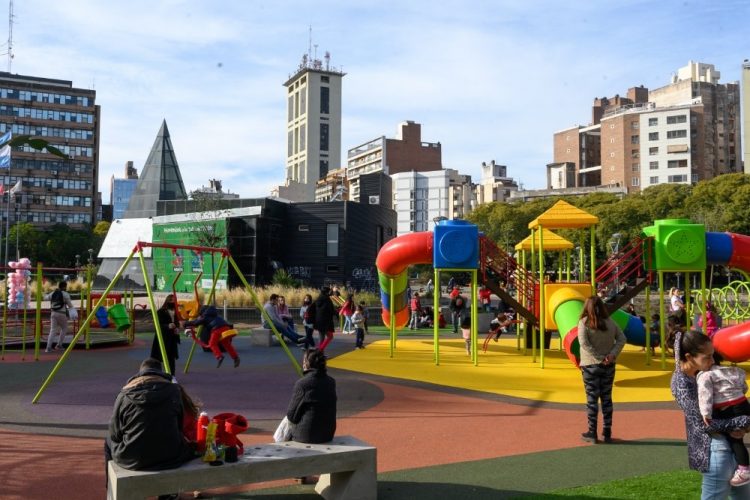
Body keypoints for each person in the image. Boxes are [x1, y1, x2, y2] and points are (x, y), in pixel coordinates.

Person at [671, 329, 750, 498]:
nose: (712, 360)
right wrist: (742, 421)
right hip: (716, 449)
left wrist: (743, 424)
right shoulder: (681, 382)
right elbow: (702, 424)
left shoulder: (703, 373)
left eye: (713, 355)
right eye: (707, 357)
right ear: (689, 357)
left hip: (731, 447)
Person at [105, 358, 195, 494]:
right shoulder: (174, 391)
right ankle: (169, 494)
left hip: (132, 458)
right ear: (160, 373)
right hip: (171, 455)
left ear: (140, 373)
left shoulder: (124, 394)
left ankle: (111, 488)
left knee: (107, 442)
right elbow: (179, 426)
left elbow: (114, 433)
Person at [577, 295, 626, 444]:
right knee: (607, 398)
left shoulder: (584, 323)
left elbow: (584, 343)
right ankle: (607, 431)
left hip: (590, 365)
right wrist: (611, 355)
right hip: (608, 365)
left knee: (592, 399)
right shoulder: (610, 322)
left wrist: (598, 357)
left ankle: (592, 432)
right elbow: (622, 338)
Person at [698, 351, 750, 486]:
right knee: (738, 436)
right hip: (743, 403)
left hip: (729, 408)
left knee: (735, 439)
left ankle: (744, 470)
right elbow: (744, 387)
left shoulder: (705, 375)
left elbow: (705, 395)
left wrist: (705, 414)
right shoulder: (732, 370)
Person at [286, 349, 337, 443]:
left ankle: (278, 446)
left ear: (306, 364)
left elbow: (291, 416)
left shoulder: (303, 384)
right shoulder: (331, 381)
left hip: (307, 435)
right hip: (328, 434)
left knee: (285, 423)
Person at [150, 295, 181, 375]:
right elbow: (157, 325)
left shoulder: (175, 312)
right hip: (163, 337)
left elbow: (177, 323)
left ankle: (172, 375)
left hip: (172, 338)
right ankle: (155, 374)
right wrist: (167, 326)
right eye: (171, 300)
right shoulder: (161, 311)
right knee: (158, 357)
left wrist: (177, 328)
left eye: (174, 300)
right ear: (167, 301)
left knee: (171, 357)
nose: (172, 302)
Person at [45, 280, 74, 353]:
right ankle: (59, 345)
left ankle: (48, 347)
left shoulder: (53, 293)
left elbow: (45, 298)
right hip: (62, 313)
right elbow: (70, 305)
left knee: (53, 330)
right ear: (64, 286)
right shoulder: (65, 294)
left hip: (53, 313)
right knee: (64, 328)